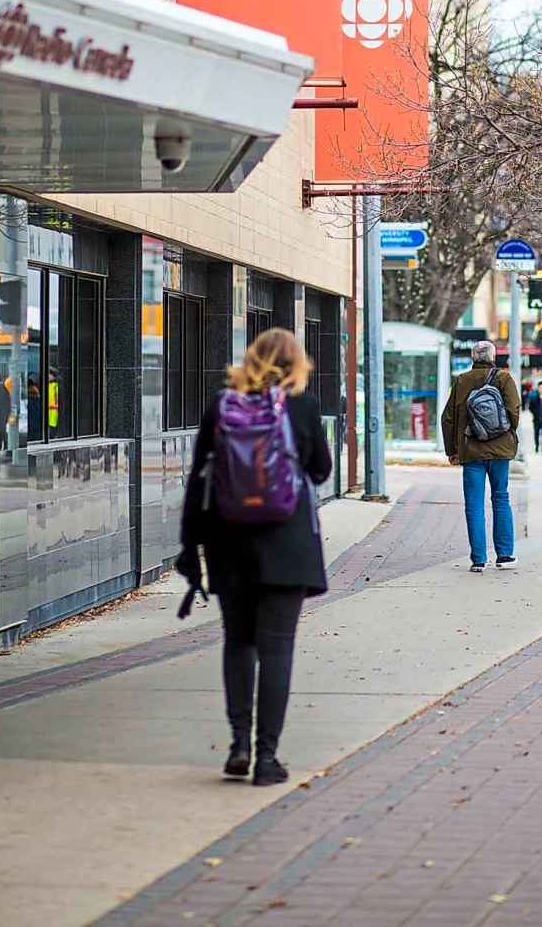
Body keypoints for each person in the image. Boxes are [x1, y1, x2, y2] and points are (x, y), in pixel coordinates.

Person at [177, 328, 332, 787]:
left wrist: (191, 548)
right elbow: (321, 469)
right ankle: (267, 758)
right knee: (277, 648)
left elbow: (198, 482)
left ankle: (238, 745)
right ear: (297, 362)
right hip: (287, 545)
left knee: (238, 643)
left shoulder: (222, 406)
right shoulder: (302, 404)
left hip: (229, 544)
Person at [441, 339, 521, 571]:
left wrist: (452, 450)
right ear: (493, 357)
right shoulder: (504, 378)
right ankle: (505, 555)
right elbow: (514, 411)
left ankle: (478, 559)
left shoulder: (462, 381)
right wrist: (507, 431)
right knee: (500, 497)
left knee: (474, 504)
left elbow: (448, 418)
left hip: (471, 450)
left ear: (473, 358)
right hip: (500, 449)